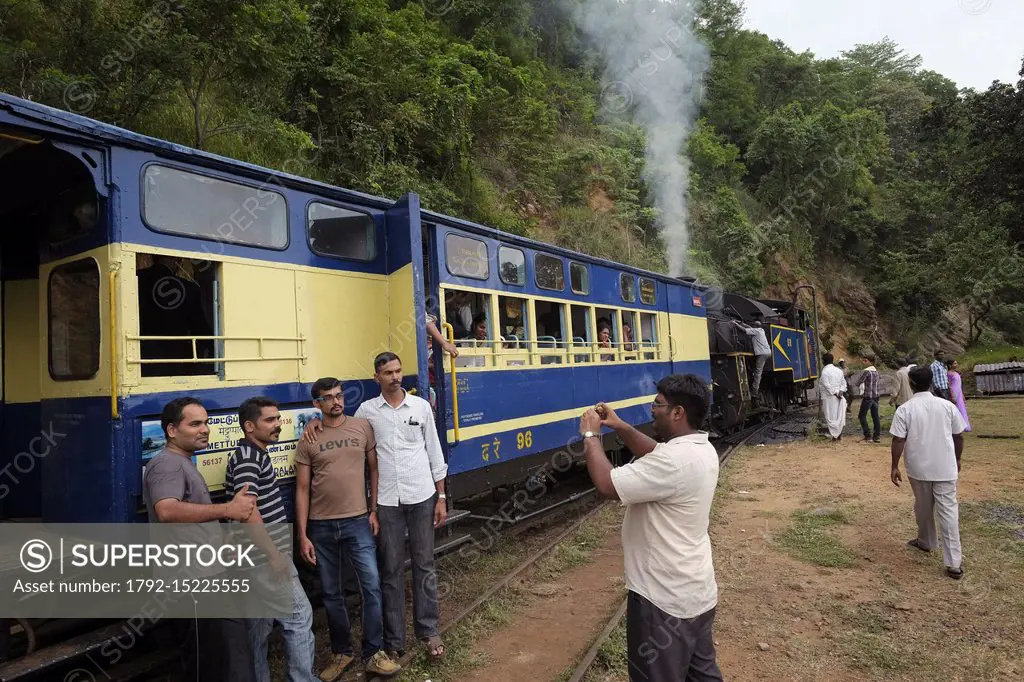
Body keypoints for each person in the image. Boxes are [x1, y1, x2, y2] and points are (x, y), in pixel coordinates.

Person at [303, 353, 449, 660]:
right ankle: (394, 639)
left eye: (398, 371)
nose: (395, 377)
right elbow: (339, 425)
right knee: (391, 570)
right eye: (388, 372)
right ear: (376, 377)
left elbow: (435, 452)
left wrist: (442, 497)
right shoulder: (366, 412)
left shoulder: (421, 407)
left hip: (422, 495)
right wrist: (315, 421)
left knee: (424, 564)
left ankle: (428, 629)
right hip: (387, 502)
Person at [578, 375, 722, 681]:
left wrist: (591, 435)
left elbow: (606, 483)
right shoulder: (701, 449)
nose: (651, 410)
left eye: (657, 404)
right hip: (697, 594)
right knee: (702, 675)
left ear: (677, 412)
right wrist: (621, 426)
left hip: (662, 601)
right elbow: (656, 453)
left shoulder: (672, 462)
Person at [142, 397, 257, 682]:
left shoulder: (182, 462)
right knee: (215, 665)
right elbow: (166, 510)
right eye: (195, 423)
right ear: (171, 430)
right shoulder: (167, 464)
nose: (204, 429)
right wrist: (228, 509)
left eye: (206, 422)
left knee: (228, 660)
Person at [295, 378, 401, 680]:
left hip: (358, 521)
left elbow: (374, 469)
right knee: (331, 593)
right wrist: (302, 534)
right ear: (317, 404)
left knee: (371, 587)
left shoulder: (361, 427)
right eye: (327, 398)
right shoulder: (309, 437)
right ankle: (342, 653)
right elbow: (302, 489)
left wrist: (374, 510)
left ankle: (373, 653)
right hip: (321, 526)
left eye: (339, 396)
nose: (335, 402)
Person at [224, 397, 316, 682]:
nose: (277, 425)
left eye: (278, 419)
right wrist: (275, 556)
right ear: (249, 426)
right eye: (270, 420)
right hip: (263, 556)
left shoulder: (253, 454)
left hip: (253, 556)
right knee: (299, 616)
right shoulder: (249, 459)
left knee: (260, 626)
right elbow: (247, 513)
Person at [890, 365, 967, 580]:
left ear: (911, 384)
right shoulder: (947, 406)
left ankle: (926, 541)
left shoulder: (905, 409)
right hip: (945, 468)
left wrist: (894, 465)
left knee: (922, 507)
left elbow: (898, 439)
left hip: (919, 468)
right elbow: (959, 436)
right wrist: (958, 458)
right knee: (948, 512)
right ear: (931, 382)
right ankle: (954, 563)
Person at [734, 320, 771, 401]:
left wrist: (736, 324)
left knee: (758, 372)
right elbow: (749, 327)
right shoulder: (761, 330)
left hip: (762, 354)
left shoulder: (756, 331)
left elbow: (744, 330)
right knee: (756, 370)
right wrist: (741, 322)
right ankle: (754, 385)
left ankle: (755, 391)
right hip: (766, 353)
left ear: (755, 326)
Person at [818, 353, 847, 441]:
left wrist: (836, 394)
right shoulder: (839, 371)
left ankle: (835, 436)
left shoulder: (825, 372)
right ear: (832, 359)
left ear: (823, 361)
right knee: (839, 416)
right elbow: (843, 383)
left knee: (831, 417)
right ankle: (838, 435)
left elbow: (827, 386)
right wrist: (840, 392)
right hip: (839, 396)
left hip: (830, 398)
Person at [854, 355, 881, 443]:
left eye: (865, 361)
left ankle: (868, 436)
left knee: (861, 416)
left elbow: (858, 382)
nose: (864, 362)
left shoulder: (866, 371)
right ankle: (877, 436)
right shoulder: (876, 371)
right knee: (875, 416)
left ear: (870, 362)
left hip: (868, 397)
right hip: (876, 396)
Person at [947, 359, 972, 432]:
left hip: (959, 393)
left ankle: (965, 425)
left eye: (956, 363)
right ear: (950, 365)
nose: (956, 365)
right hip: (954, 393)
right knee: (957, 409)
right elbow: (950, 385)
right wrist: (952, 395)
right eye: (954, 363)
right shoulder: (949, 374)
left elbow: (959, 385)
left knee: (962, 408)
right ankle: (957, 426)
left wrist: (962, 394)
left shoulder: (956, 373)